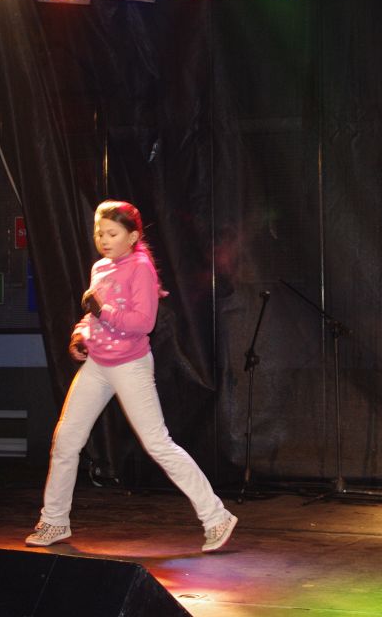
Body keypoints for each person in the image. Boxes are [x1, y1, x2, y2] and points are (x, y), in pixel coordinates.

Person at [25, 200, 237, 552]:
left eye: (112, 233)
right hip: (98, 365)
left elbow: (143, 323)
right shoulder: (99, 268)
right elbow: (92, 316)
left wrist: (102, 310)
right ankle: (54, 521)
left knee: (157, 443)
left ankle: (216, 516)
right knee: (66, 440)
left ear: (133, 236)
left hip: (130, 365)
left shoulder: (141, 268)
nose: (104, 240)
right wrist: (80, 335)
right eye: (99, 233)